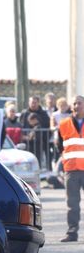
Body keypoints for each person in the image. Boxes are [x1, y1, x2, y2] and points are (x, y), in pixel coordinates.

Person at [56, 95, 84, 242]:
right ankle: (72, 232)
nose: (76, 106)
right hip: (71, 170)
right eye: (74, 103)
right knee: (72, 203)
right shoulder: (64, 124)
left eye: (79, 103)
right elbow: (59, 145)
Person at [20, 96, 51, 165]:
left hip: (39, 142)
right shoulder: (24, 113)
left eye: (35, 103)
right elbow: (21, 125)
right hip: (26, 142)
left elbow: (47, 126)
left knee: (38, 161)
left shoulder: (43, 114)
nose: (33, 104)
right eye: (31, 103)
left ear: (38, 103)